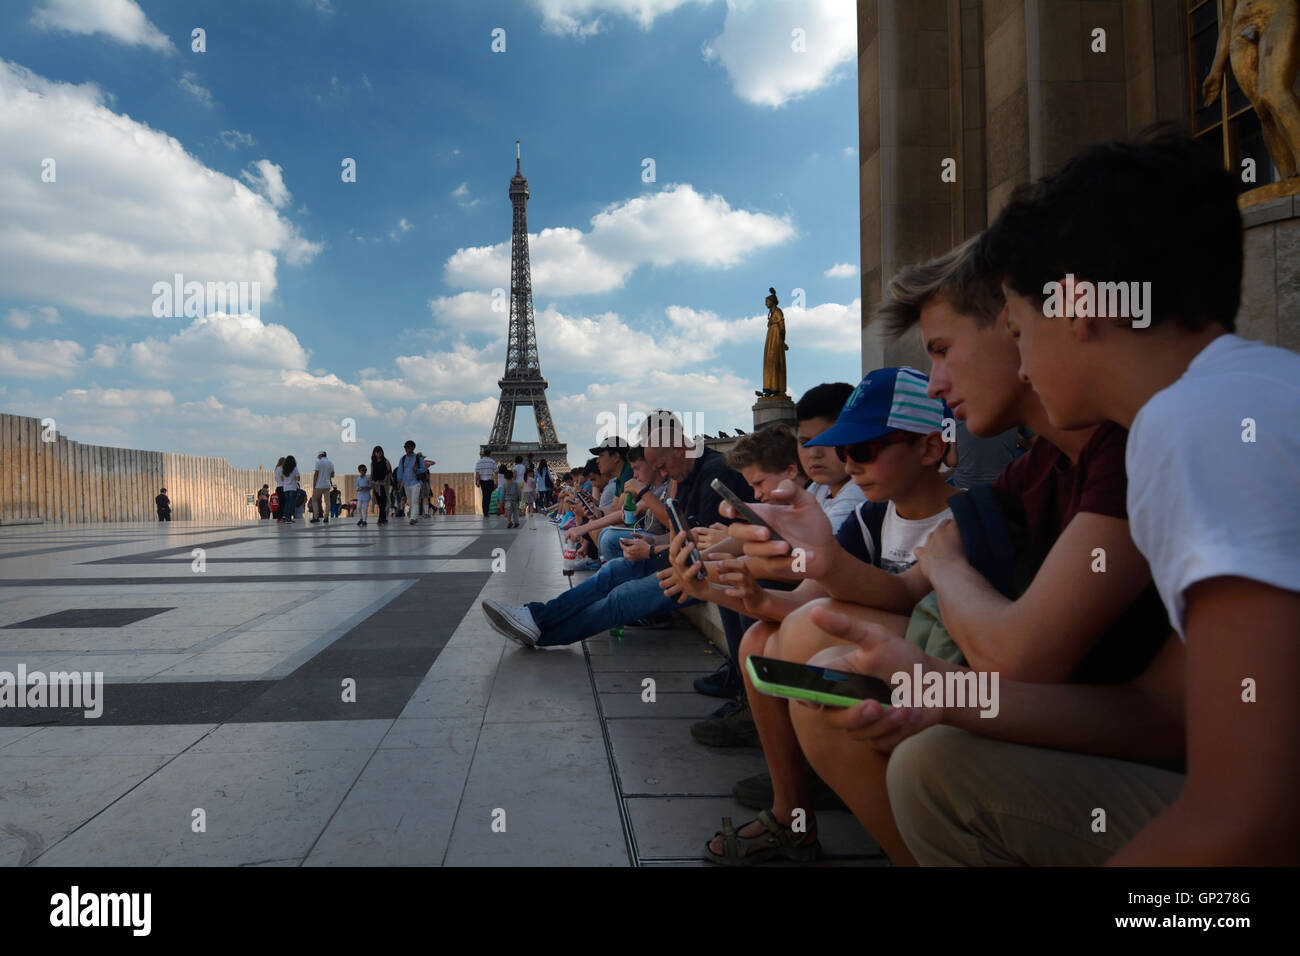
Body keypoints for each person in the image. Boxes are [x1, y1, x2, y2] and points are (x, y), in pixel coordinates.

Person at [875, 127, 1300, 866]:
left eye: (1017, 323)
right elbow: (1168, 712)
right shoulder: (1245, 392)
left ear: (1077, 305)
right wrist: (947, 694)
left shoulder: (1189, 424)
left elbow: (1248, 823)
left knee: (937, 777)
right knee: (938, 764)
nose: (1022, 356)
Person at [481, 410, 752, 649]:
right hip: (682, 561)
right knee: (614, 570)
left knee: (621, 597)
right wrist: (652, 543)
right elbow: (687, 534)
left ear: (679, 448)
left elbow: (706, 549)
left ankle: (539, 634)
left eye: (662, 466)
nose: (664, 473)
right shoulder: (687, 471)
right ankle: (535, 617)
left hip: (700, 572)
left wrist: (652, 550)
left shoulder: (716, 473)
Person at [394, 440, 427, 526]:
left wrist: (417, 470)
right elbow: (400, 470)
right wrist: (399, 480)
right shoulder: (403, 459)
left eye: (408, 447)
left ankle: (413, 518)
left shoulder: (417, 458)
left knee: (415, 500)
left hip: (416, 482)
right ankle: (414, 517)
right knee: (411, 501)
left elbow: (423, 469)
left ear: (413, 448)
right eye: (405, 447)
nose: (406, 449)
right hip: (406, 483)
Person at [369, 446, 392, 526]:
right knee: (379, 502)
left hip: (383, 484)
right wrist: (370, 482)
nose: (378, 453)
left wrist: (386, 478)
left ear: (382, 452)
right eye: (377, 452)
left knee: (383, 502)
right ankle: (383, 518)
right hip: (375, 484)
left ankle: (380, 518)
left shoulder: (386, 461)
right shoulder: (373, 463)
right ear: (374, 453)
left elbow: (390, 472)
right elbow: (372, 473)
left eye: (380, 452)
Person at [309, 451, 334, 524]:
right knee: (327, 501)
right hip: (327, 485)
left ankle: (316, 517)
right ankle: (326, 517)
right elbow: (332, 475)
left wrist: (314, 485)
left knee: (314, 500)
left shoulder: (318, 462)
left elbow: (316, 474)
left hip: (319, 485)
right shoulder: (330, 463)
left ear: (320, 455)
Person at [280, 456, 301, 524]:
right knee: (291, 503)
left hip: (285, 488)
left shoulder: (284, 468)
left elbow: (282, 478)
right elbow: (298, 478)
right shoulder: (295, 468)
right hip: (292, 487)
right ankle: (289, 518)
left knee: (287, 503)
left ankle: (285, 516)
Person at [273, 457, 287, 523]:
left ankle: (279, 517)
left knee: (280, 502)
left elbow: (276, 479)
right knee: (283, 502)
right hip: (282, 486)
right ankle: (282, 517)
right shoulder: (281, 468)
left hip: (278, 486)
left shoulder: (276, 469)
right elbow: (282, 478)